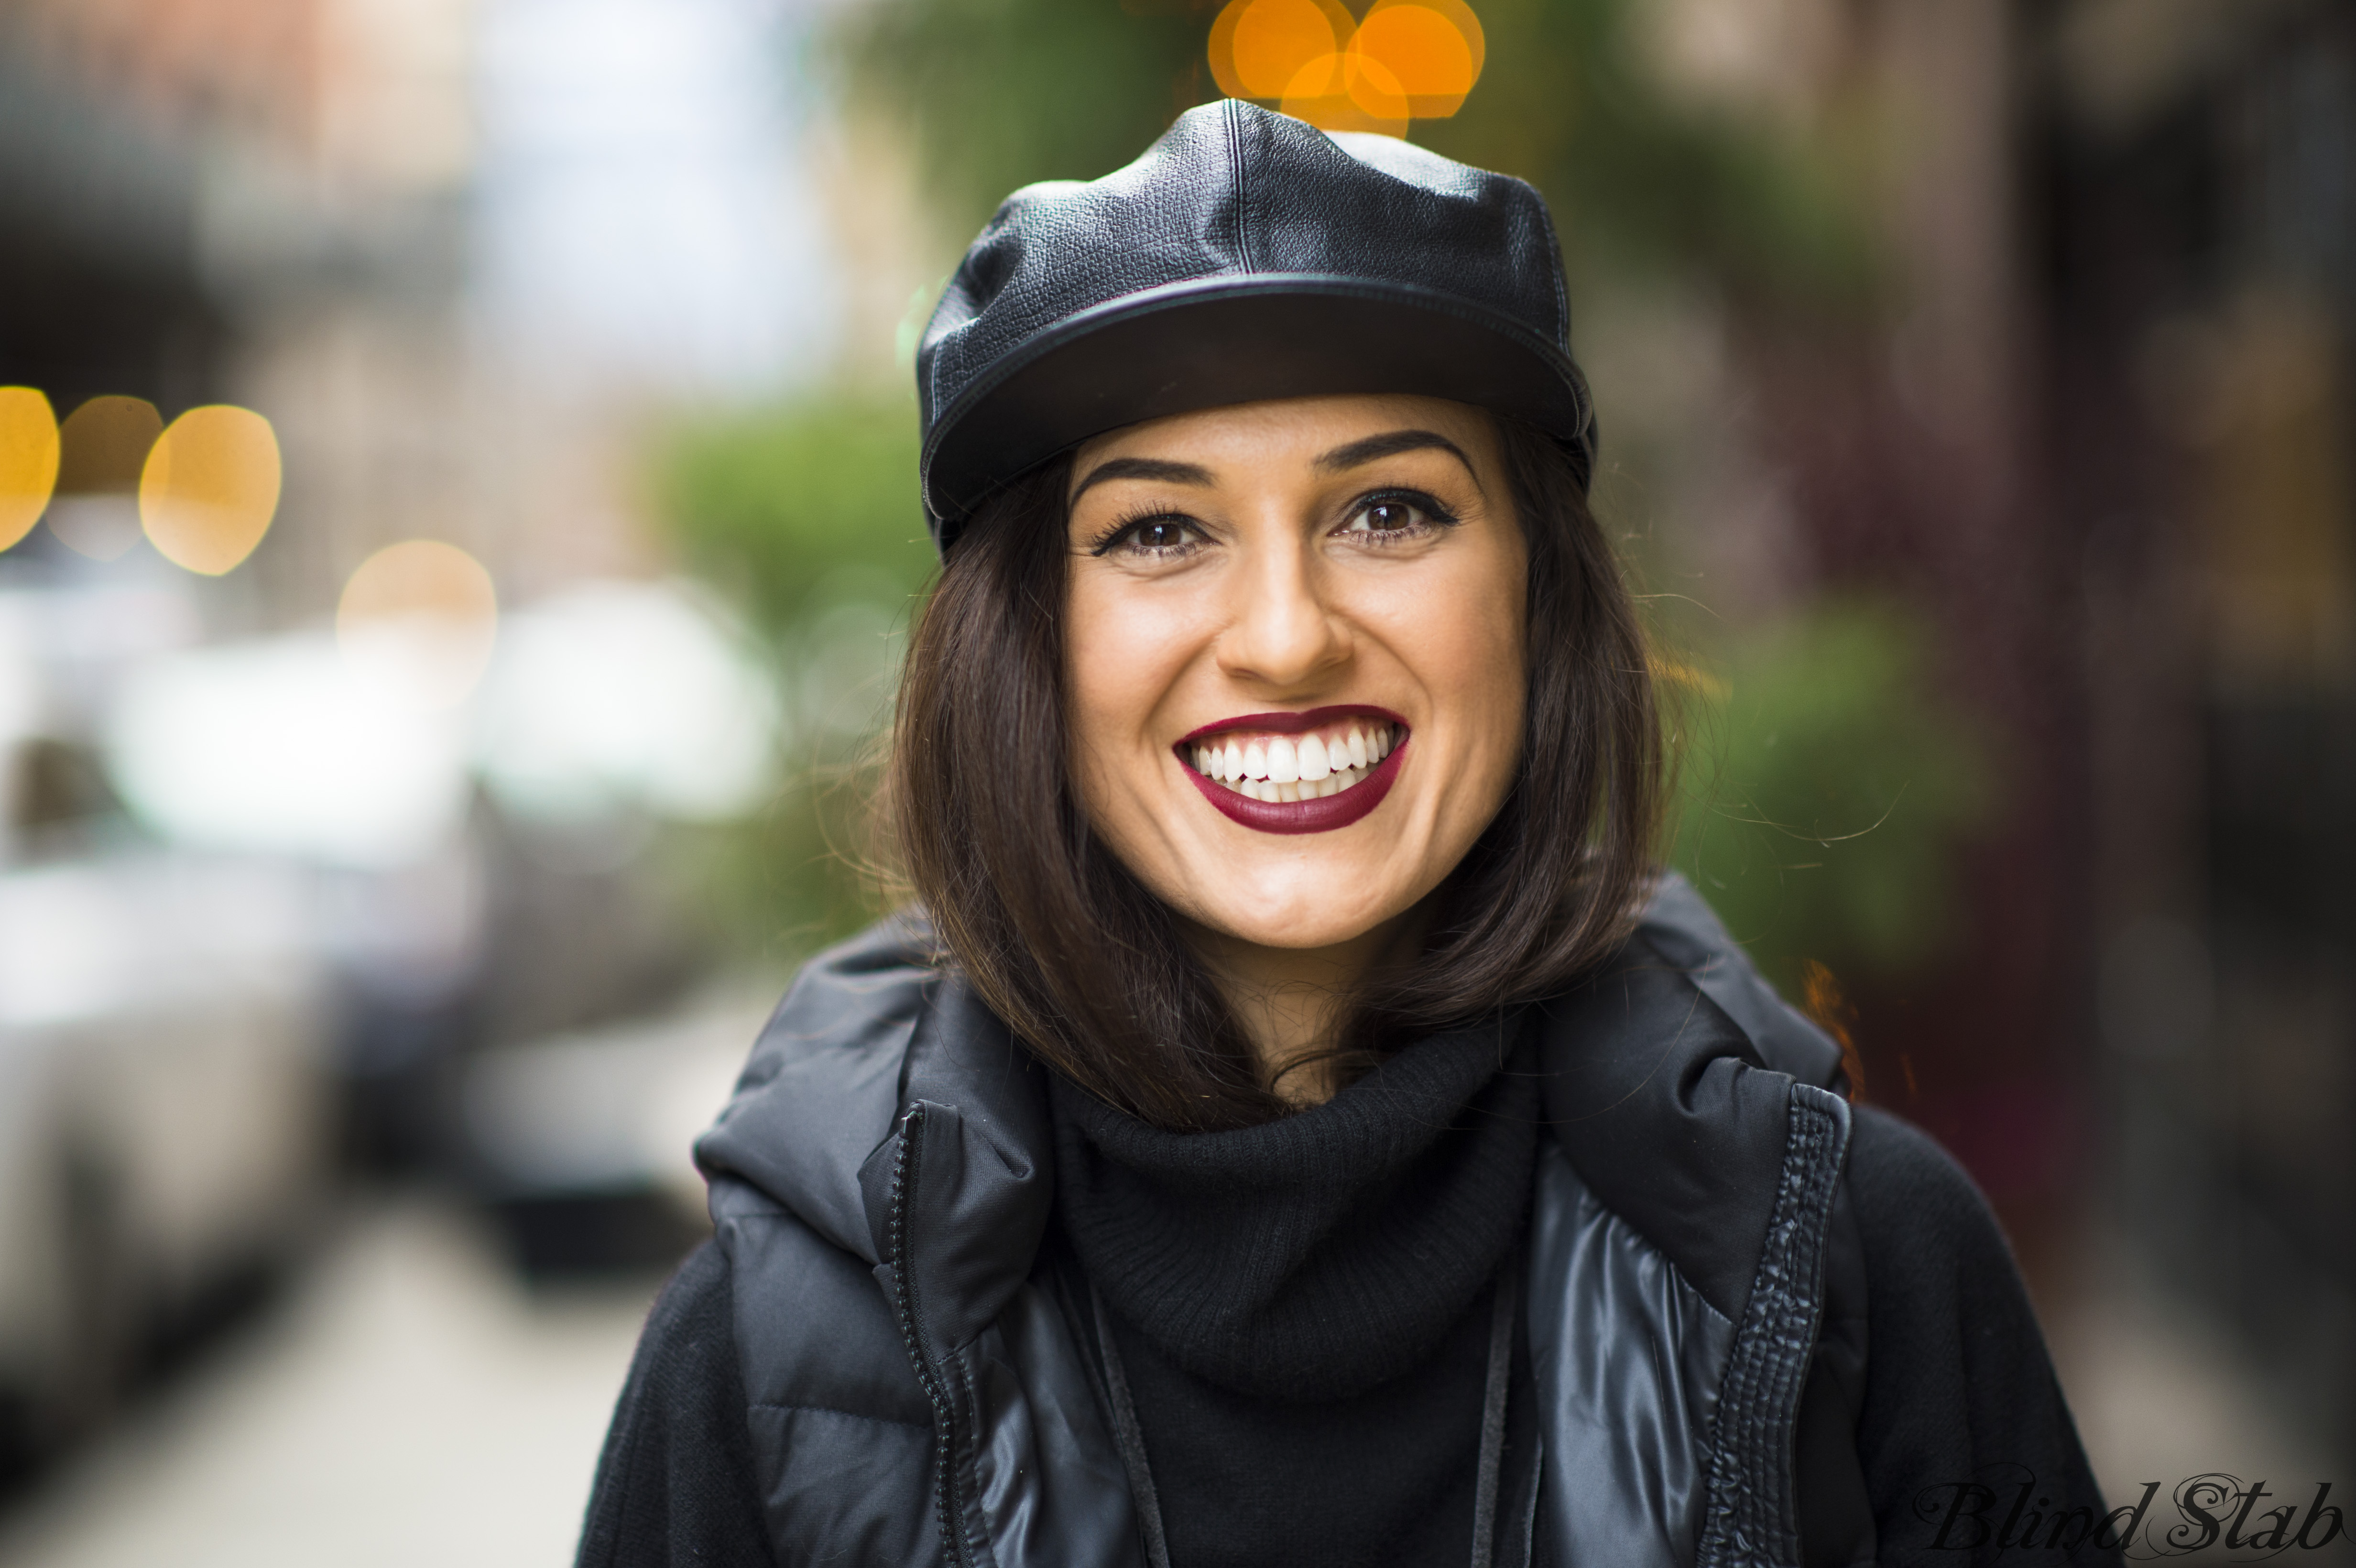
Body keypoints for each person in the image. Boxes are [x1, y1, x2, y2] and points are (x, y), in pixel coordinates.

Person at [578, 102, 2117, 1568]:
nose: (1284, 636)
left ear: (1536, 599)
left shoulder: (1859, 1266)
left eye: (1388, 511)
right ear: (1027, 654)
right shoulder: (767, 1367)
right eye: (1160, 531)